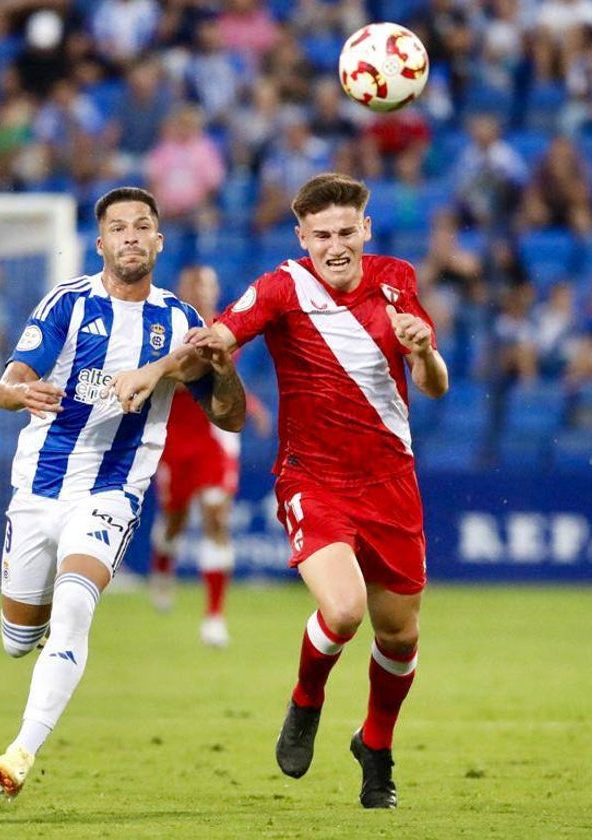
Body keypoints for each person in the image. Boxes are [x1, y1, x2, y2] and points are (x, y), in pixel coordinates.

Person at [187, 173, 450, 809]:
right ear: (302, 236)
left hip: (391, 482)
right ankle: (306, 700)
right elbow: (226, 331)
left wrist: (424, 354)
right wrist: (209, 346)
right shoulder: (283, 285)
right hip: (313, 477)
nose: (336, 245)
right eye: (321, 234)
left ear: (366, 229)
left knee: (400, 638)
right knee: (343, 611)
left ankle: (375, 746)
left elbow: (435, 384)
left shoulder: (396, 280)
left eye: (345, 232)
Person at [0, 187, 246, 799]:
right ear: (100, 243)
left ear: (158, 241)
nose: (131, 236)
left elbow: (229, 418)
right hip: (40, 488)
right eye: (119, 228)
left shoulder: (181, 323)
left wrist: (222, 366)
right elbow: (7, 385)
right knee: (17, 641)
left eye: (143, 226)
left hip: (111, 493)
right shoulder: (67, 304)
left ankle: (20, 753)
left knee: (76, 610)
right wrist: (22, 393)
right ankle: (44, 640)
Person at [148, 265, 271, 647]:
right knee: (175, 518)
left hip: (214, 437)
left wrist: (249, 404)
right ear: (181, 289)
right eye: (193, 284)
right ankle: (162, 566)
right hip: (174, 437)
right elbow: (166, 378)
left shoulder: (225, 328)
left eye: (208, 285)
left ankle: (215, 617)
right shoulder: (164, 327)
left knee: (217, 515)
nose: (201, 291)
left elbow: (224, 377)